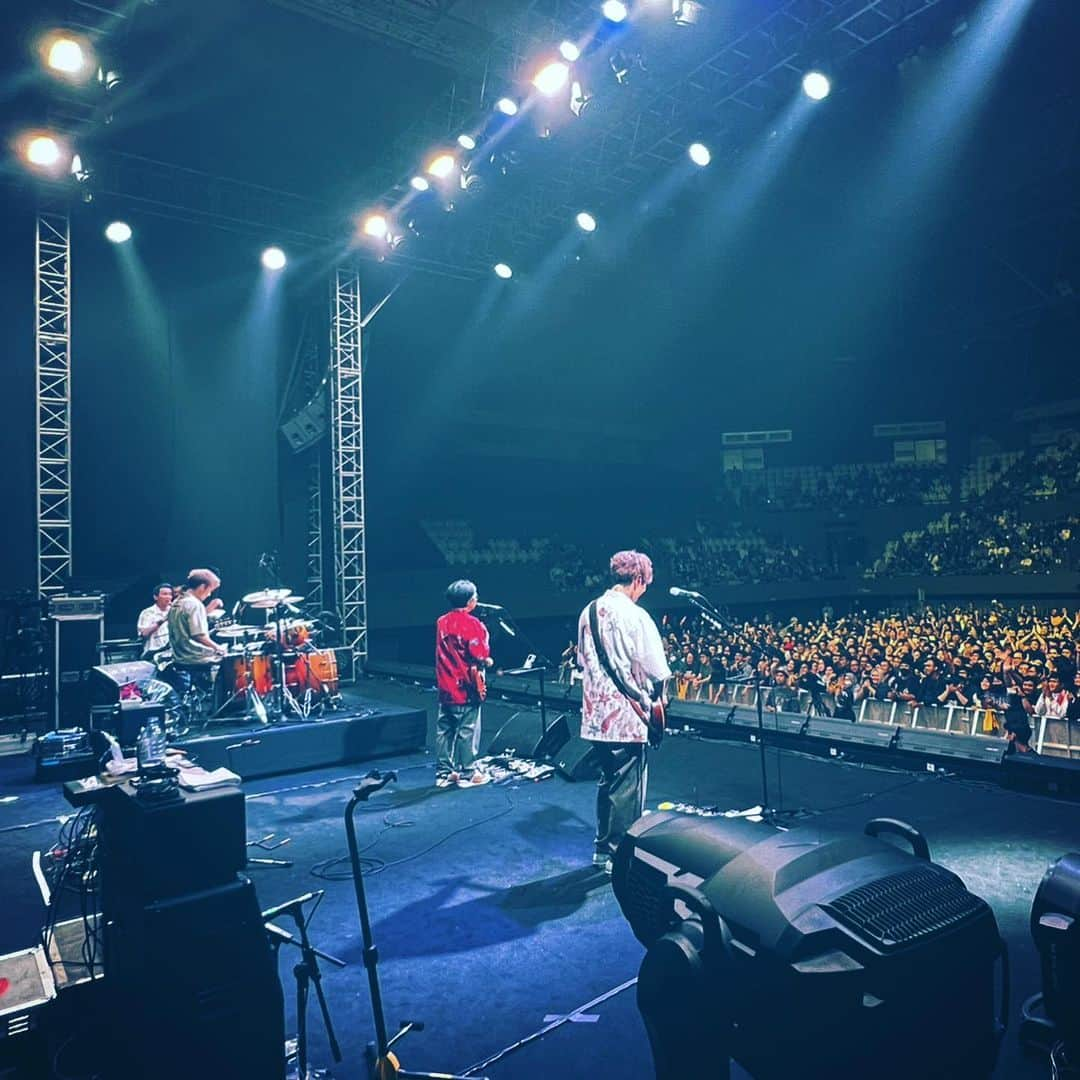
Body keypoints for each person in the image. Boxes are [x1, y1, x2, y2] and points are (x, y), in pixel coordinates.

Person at [577, 550, 671, 873]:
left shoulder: (587, 612)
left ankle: (602, 849)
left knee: (609, 781)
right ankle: (620, 856)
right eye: (646, 583)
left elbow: (582, 663)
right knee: (628, 787)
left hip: (595, 716)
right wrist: (657, 702)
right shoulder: (636, 616)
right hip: (628, 716)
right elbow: (658, 671)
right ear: (638, 579)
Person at [435, 580, 493, 789]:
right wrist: (488, 660)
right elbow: (479, 654)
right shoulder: (473, 624)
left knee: (445, 730)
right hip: (465, 687)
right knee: (467, 729)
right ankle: (469, 773)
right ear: (470, 601)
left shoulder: (441, 621)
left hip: (445, 686)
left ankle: (444, 773)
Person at [168, 569, 229, 669]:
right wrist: (218, 648)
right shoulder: (194, 604)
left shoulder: (177, 601)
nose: (209, 594)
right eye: (210, 590)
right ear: (202, 587)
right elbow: (199, 636)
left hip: (179, 659)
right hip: (195, 660)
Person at [137, 583, 173, 658]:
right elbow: (144, 633)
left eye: (170, 594)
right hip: (153, 653)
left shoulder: (174, 610)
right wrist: (163, 620)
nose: (168, 597)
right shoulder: (147, 613)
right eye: (165, 594)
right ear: (155, 597)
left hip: (171, 653)